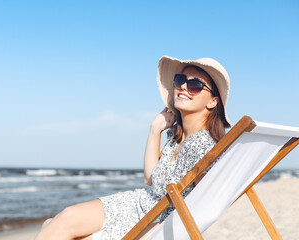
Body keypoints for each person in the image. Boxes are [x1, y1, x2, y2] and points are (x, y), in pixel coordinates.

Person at [34, 56, 231, 240]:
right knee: (56, 221)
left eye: (195, 85)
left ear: (213, 102)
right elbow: (149, 179)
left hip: (157, 220)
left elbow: (206, 207)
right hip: (138, 205)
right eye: (180, 80)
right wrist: (155, 130)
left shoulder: (203, 145)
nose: (184, 87)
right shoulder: (176, 136)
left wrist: (156, 231)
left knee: (59, 228)